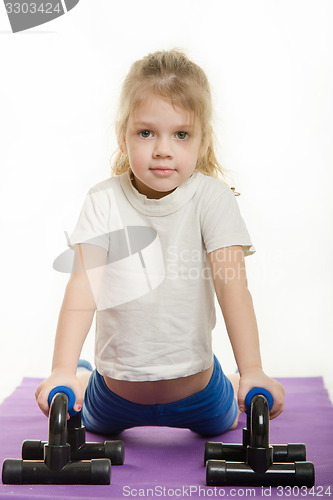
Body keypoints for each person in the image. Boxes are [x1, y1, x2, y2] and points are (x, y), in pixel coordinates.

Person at [35, 49, 285, 436]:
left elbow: (232, 286)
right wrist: (62, 370)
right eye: (146, 132)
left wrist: (252, 371)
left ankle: (235, 379)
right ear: (123, 137)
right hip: (115, 399)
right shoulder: (104, 200)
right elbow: (83, 286)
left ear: (203, 142)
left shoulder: (211, 198)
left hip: (199, 397)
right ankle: (82, 376)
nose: (163, 149)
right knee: (85, 404)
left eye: (181, 134)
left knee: (228, 410)